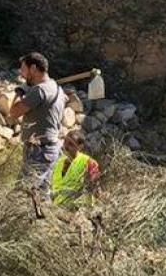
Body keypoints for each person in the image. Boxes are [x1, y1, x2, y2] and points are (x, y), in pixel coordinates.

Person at [8, 52, 67, 201]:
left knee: (21, 196)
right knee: (41, 198)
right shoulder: (56, 88)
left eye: (23, 69)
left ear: (33, 68)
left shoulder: (39, 91)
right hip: (50, 150)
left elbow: (14, 112)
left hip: (39, 152)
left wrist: (20, 92)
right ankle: (43, 224)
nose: (21, 73)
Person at [52, 131, 101, 207]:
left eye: (71, 144)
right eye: (65, 142)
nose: (66, 146)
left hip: (77, 211)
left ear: (80, 147)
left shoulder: (89, 163)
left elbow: (95, 190)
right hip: (55, 209)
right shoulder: (59, 162)